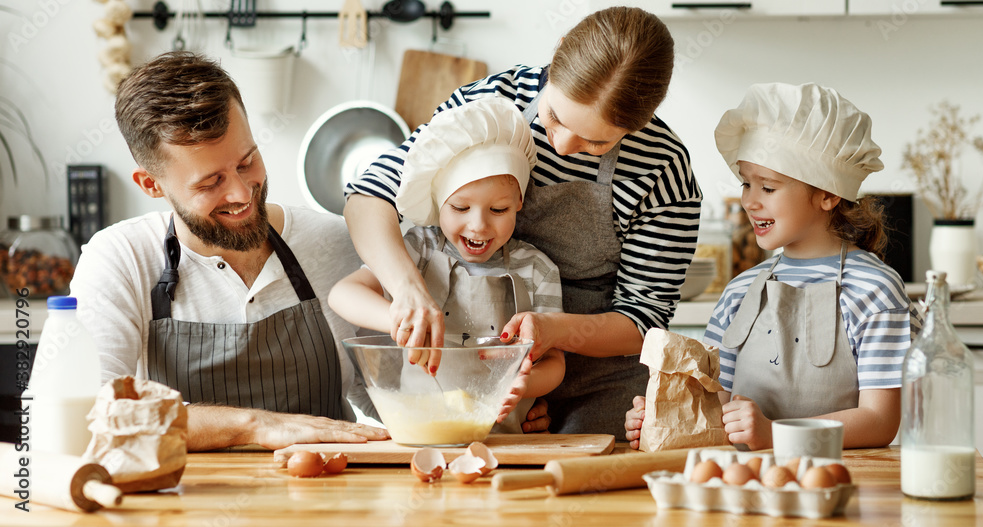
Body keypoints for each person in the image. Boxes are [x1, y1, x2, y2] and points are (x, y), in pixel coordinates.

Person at [343, 7, 700, 439]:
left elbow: (643, 319)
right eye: (555, 116)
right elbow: (368, 196)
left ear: (639, 124)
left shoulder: (663, 169)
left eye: (597, 141)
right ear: (557, 59)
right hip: (478, 374)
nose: (564, 146)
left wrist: (550, 336)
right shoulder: (489, 106)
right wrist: (407, 290)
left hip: (599, 381)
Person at [69, 51, 388, 451]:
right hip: (181, 507)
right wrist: (253, 426)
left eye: (247, 161)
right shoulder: (120, 260)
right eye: (210, 183)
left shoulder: (339, 242)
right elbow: (93, 417)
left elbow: (388, 394)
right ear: (151, 184)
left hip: (328, 501)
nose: (241, 193)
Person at [625, 83, 922, 450]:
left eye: (768, 187)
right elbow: (716, 408)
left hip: (845, 485)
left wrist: (777, 434)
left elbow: (879, 421)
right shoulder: (739, 291)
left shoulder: (874, 289)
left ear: (827, 193)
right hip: (747, 487)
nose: (749, 201)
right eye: (746, 183)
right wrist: (663, 417)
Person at [329, 97, 565, 431]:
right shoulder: (421, 248)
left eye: (499, 210)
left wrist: (524, 384)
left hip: (506, 441)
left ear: (519, 203)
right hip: (421, 434)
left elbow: (555, 361)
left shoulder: (538, 270)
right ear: (439, 201)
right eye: (459, 207)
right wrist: (402, 318)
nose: (479, 225)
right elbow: (343, 293)